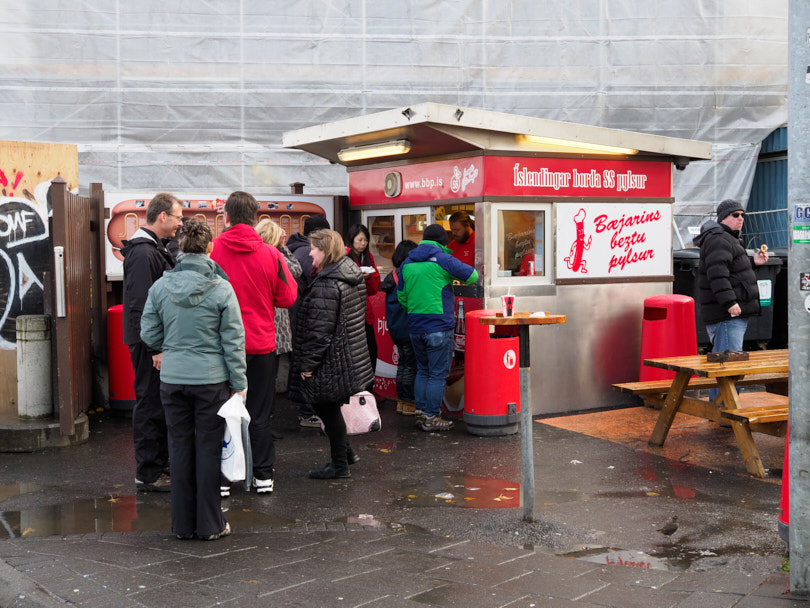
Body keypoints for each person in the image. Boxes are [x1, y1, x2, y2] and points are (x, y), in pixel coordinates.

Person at [140, 218, 246, 541]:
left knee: (179, 447)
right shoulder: (222, 288)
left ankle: (182, 525)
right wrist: (239, 383)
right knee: (209, 449)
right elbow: (233, 340)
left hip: (172, 379)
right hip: (211, 381)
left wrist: (163, 348)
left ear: (179, 248)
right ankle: (211, 524)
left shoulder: (160, 286)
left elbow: (147, 331)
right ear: (210, 248)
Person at [210, 191, 297, 497]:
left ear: (227, 217)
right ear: (256, 218)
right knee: (259, 413)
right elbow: (287, 297)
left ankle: (223, 479)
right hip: (261, 345)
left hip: (221, 347)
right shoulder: (270, 254)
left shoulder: (213, 251)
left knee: (223, 411)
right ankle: (263, 476)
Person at [293, 229, 373, 479]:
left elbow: (320, 331)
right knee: (331, 406)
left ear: (325, 251)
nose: (310, 252)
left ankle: (340, 464)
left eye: (314, 248)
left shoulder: (328, 283)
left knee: (325, 407)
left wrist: (308, 365)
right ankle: (346, 453)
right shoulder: (349, 273)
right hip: (346, 354)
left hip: (330, 357)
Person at [121, 192, 184, 492]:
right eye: (178, 218)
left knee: (156, 403)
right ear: (163, 217)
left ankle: (157, 466)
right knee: (149, 403)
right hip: (149, 344)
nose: (179, 224)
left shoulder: (149, 249)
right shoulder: (144, 253)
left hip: (151, 341)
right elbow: (140, 305)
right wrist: (155, 347)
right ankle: (148, 473)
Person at [397, 224, 478, 432]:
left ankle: (421, 413)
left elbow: (402, 296)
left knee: (423, 371)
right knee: (437, 374)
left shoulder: (407, 262)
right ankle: (432, 417)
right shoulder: (443, 259)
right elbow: (473, 276)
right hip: (439, 326)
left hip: (415, 326)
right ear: (443, 242)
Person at [693, 199, 769, 401]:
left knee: (726, 364)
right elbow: (717, 275)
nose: (740, 219)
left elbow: (732, 269)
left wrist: (754, 262)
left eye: (743, 215)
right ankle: (724, 411)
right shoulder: (719, 238)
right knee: (727, 365)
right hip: (727, 315)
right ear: (723, 217)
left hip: (732, 315)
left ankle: (722, 410)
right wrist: (729, 303)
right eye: (735, 215)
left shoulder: (728, 238)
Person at [286, 214, 331, 427]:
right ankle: (306, 411)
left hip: (297, 313)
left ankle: (304, 409)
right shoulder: (306, 252)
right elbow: (315, 282)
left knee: (301, 362)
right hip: (306, 314)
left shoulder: (295, 248)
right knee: (308, 363)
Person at [255, 218, 302, 397]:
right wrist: (282, 247)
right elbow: (296, 270)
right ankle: (268, 410)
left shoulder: (259, 253)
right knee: (269, 373)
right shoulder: (273, 254)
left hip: (263, 319)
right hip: (274, 319)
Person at [380, 240, 418, 415]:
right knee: (409, 365)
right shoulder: (406, 275)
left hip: (396, 328)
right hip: (407, 327)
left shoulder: (392, 275)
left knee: (403, 365)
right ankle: (408, 402)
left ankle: (401, 402)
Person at [346, 223, 381, 389]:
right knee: (354, 356)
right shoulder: (345, 257)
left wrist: (368, 278)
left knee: (371, 352)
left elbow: (375, 289)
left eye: (366, 240)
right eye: (360, 239)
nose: (363, 243)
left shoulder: (368, 258)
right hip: (351, 314)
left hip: (366, 313)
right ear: (352, 239)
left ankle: (368, 392)